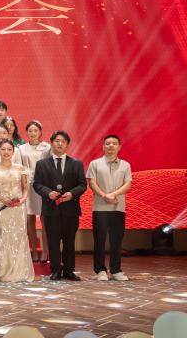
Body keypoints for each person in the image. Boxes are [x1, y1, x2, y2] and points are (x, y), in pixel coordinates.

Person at [33, 130, 87, 281]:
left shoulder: (76, 164)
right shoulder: (42, 164)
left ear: (67, 144)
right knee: (53, 241)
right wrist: (48, 193)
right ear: (51, 143)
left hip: (71, 209)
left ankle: (69, 270)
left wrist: (72, 194)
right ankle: (55, 270)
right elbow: (37, 184)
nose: (60, 144)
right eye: (57, 141)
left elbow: (82, 185)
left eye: (63, 141)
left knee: (69, 241)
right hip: (51, 209)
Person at [0, 140, 35, 282]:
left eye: (9, 149)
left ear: (13, 151)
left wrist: (22, 200)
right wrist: (3, 199)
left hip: (18, 208)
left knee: (20, 237)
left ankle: (20, 271)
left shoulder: (20, 168)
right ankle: (5, 271)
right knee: (4, 236)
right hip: (3, 207)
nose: (6, 152)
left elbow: (25, 189)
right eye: (3, 149)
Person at [87, 134, 132, 281]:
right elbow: (92, 182)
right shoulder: (95, 164)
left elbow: (128, 184)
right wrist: (104, 195)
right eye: (107, 143)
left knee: (116, 240)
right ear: (103, 147)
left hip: (118, 207)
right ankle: (100, 270)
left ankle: (116, 270)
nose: (111, 146)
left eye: (114, 143)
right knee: (99, 240)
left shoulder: (125, 165)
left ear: (119, 147)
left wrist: (113, 194)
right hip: (100, 207)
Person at [19, 120, 51, 262]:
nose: (33, 133)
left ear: (40, 132)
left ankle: (45, 252)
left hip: (42, 185)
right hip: (26, 184)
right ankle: (34, 251)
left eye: (35, 131)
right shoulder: (21, 148)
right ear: (26, 133)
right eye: (30, 131)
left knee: (44, 219)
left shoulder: (47, 148)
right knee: (29, 219)